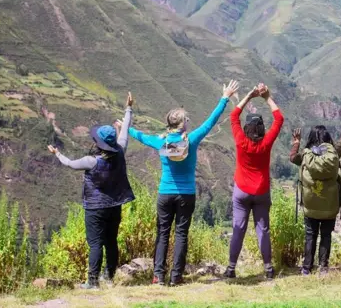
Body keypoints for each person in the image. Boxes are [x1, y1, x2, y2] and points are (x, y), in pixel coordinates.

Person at [128, 81, 239, 286]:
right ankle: (176, 276)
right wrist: (224, 98)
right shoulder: (191, 140)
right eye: (186, 119)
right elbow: (210, 122)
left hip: (165, 193)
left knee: (162, 234)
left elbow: (141, 137)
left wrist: (125, 127)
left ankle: (158, 276)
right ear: (182, 124)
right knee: (181, 234)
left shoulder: (160, 141)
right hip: (186, 194)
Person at [47, 92, 136, 289]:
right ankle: (109, 277)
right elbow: (125, 131)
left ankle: (92, 282)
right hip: (115, 205)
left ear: (98, 143)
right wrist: (128, 108)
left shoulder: (91, 161)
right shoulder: (120, 150)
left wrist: (57, 153)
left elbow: (70, 164)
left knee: (95, 243)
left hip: (95, 208)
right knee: (111, 240)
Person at [224, 83, 284, 280]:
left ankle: (231, 268)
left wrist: (249, 96)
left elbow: (233, 116)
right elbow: (279, 119)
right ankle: (268, 268)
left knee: (238, 228)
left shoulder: (241, 142)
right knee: (262, 229)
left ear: (246, 129)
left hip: (241, 191)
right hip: (261, 191)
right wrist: (267, 97)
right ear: (262, 129)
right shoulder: (266, 144)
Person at [290, 105, 341, 275]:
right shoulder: (335, 153)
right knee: (326, 235)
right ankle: (323, 267)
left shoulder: (305, 156)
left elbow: (292, 158)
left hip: (310, 205)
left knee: (310, 234)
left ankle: (306, 268)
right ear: (327, 139)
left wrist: (296, 143)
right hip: (330, 206)